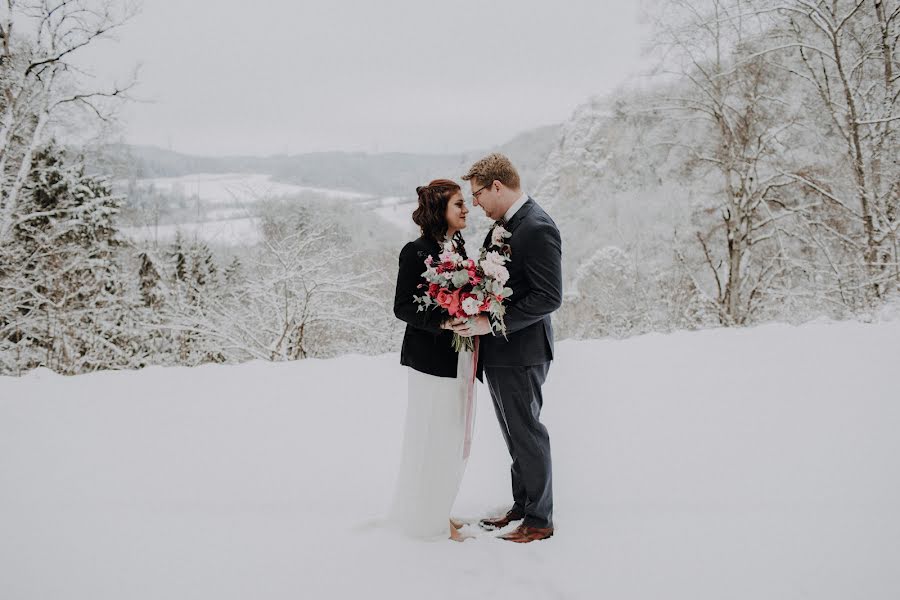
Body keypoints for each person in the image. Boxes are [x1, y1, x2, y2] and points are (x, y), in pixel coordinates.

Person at [452, 153, 562, 543]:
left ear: (497, 186)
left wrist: (489, 322)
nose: (476, 202)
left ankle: (539, 520)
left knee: (528, 433)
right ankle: (523, 505)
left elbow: (549, 297)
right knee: (515, 436)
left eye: (478, 194)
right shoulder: (504, 226)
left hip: (522, 351)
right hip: (501, 353)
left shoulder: (536, 226)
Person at [388, 178, 481, 541]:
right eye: (458, 203)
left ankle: (439, 509)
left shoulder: (457, 247)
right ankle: (427, 518)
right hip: (429, 361)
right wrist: (443, 319)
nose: (465, 209)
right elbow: (402, 308)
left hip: (459, 357)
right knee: (432, 435)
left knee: (451, 436)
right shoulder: (415, 251)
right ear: (439, 209)